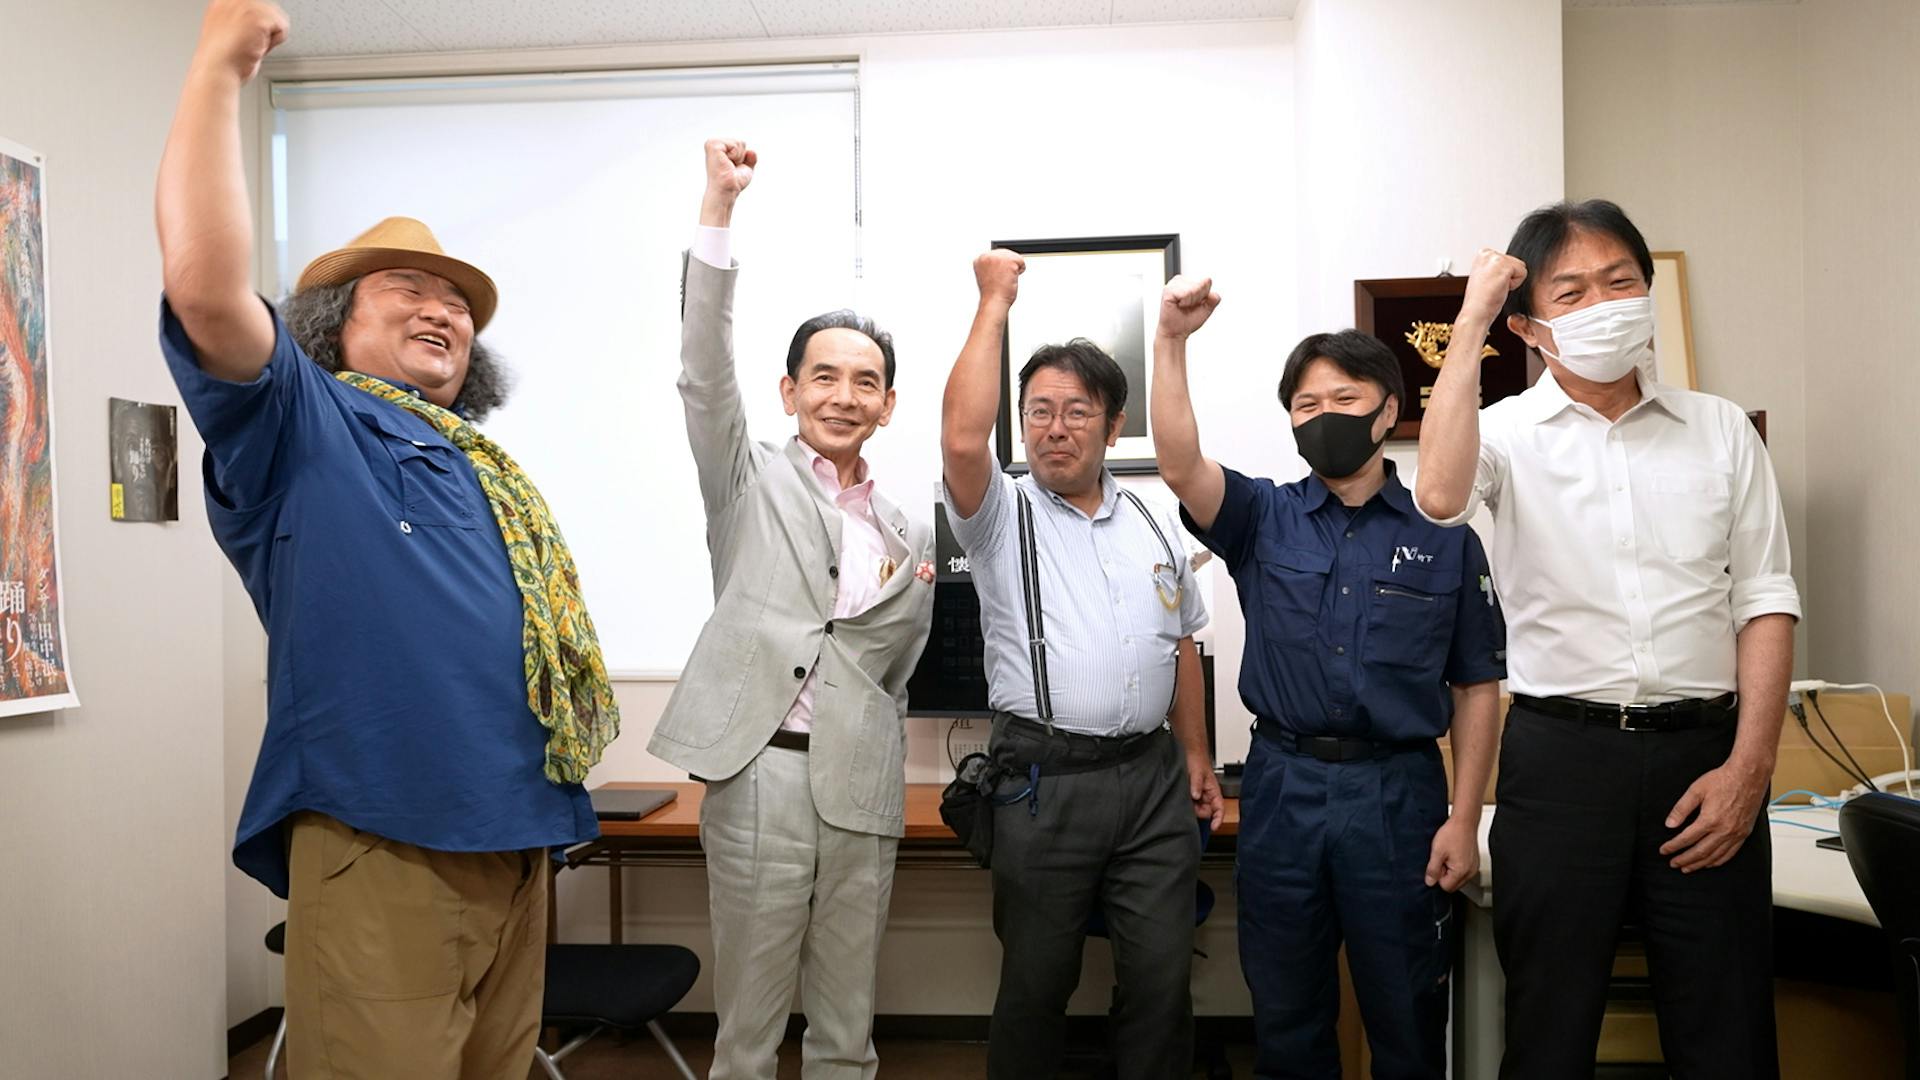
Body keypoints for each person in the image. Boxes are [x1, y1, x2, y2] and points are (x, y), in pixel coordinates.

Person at [154, 2, 621, 1076]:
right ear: (332, 325)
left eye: (457, 303)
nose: (442, 310)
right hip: (385, 835)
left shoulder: (487, 468)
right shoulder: (303, 422)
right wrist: (220, 67)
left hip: (517, 843)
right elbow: (206, 293)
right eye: (406, 289)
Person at [1415, 199, 1799, 1079]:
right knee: (1549, 1035)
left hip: (1705, 758)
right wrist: (1471, 320)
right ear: (1529, 326)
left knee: (1729, 1031)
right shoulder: (1504, 433)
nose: (1603, 304)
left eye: (1621, 282)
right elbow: (1437, 496)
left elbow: (1766, 602)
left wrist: (1750, 770)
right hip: (1561, 762)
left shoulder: (1721, 429)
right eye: (1573, 292)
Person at [1151, 276, 1504, 1079]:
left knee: (1408, 1018)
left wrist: (1464, 817)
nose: (1323, 417)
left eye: (1344, 399)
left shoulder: (1446, 535)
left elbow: (1476, 685)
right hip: (1284, 787)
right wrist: (1170, 341)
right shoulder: (1260, 517)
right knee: (1287, 1018)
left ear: (1389, 411)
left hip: (1398, 796)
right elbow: (1179, 465)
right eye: (1306, 406)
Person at [645, 138, 935, 1080]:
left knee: (848, 1024)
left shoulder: (906, 530)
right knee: (749, 1028)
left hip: (862, 783)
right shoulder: (746, 477)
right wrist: (718, 208)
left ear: (887, 404)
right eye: (824, 376)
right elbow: (702, 371)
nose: (843, 396)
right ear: (790, 390)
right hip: (761, 774)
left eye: (864, 382)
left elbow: (892, 667)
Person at [939, 247, 1221, 1080]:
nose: (1054, 428)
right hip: (1043, 783)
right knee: (1036, 987)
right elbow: (961, 436)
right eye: (1038, 412)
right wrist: (993, 302)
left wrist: (1196, 754)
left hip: (1152, 782)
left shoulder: (1155, 519)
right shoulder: (999, 514)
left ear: (1112, 426)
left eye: (1075, 412)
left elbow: (1182, 643)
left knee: (1161, 984)